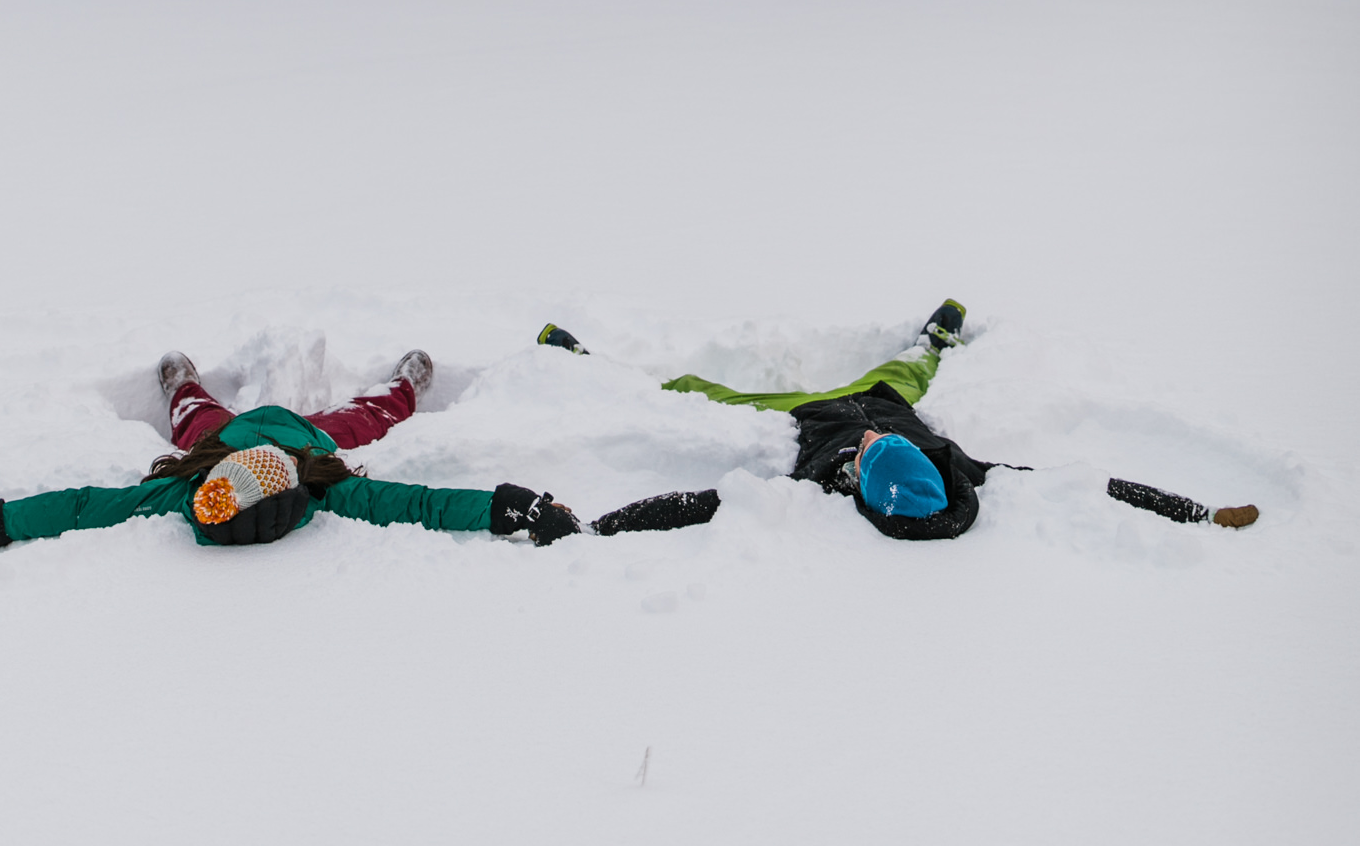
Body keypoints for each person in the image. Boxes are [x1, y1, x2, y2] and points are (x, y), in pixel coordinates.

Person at [537, 304, 1260, 540]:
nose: (869, 446)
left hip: (798, 415)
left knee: (687, 389)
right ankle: (935, 337)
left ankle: (585, 361)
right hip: (881, 391)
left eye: (871, 454)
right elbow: (1094, 486)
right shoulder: (960, 473)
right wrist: (1195, 512)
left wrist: (602, 526)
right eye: (888, 449)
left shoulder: (820, 492)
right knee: (915, 370)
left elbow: (697, 506)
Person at [0, 345, 581, 563]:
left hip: (222, 430)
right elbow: (423, 506)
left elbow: (72, 508)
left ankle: (179, 379)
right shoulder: (322, 479)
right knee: (368, 416)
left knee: (194, 412)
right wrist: (515, 510)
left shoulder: (189, 478)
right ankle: (406, 382)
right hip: (312, 432)